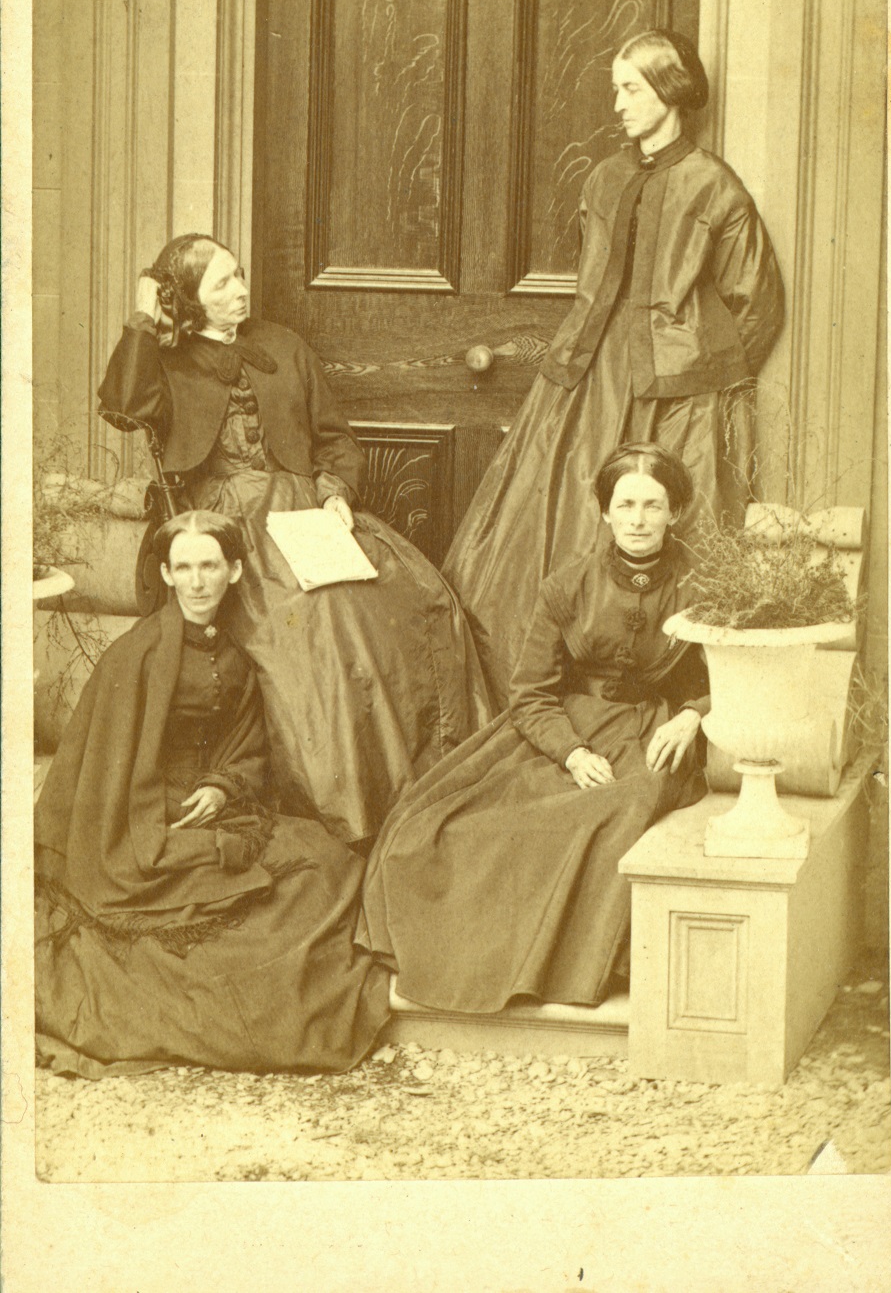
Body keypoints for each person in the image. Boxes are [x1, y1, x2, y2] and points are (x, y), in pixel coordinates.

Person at [98, 236, 489, 845]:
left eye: (240, 275)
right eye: (222, 283)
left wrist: (335, 492)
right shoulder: (164, 362)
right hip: (228, 523)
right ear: (190, 300)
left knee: (411, 598)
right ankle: (347, 810)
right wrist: (145, 316)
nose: (241, 290)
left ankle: (419, 784)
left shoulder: (284, 346)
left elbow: (334, 437)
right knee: (313, 627)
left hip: (307, 510)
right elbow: (123, 406)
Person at [443, 29, 785, 706]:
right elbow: (594, 282)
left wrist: (699, 372)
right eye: (617, 89)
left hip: (682, 395)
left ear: (670, 91)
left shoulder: (715, 187)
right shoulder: (602, 178)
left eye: (631, 88)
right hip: (588, 378)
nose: (619, 104)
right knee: (549, 520)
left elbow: (756, 305)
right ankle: (532, 696)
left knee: (673, 533)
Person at [34, 511, 391, 1079]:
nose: (197, 582)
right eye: (183, 568)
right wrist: (158, 826)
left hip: (215, 804)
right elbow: (110, 767)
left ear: (234, 571)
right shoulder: (137, 655)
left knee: (330, 862)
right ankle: (263, 1004)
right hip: (145, 816)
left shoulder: (233, 652)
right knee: (250, 903)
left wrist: (221, 787)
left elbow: (247, 745)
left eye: (209, 566)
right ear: (166, 575)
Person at [358, 444, 710, 1014]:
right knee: (448, 828)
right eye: (626, 505)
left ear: (674, 512)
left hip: (655, 733)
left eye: (653, 505)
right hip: (565, 730)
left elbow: (732, 673)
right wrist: (572, 753)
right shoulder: (566, 587)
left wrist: (694, 713)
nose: (639, 520)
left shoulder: (703, 587)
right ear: (605, 512)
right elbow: (531, 694)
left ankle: (565, 969)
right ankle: (475, 961)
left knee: (613, 812)